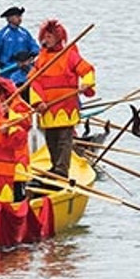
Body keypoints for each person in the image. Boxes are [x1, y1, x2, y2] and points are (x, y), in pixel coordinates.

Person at [28, 19, 96, 178]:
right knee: (51, 139)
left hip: (66, 105)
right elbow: (34, 82)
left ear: (58, 37)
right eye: (45, 36)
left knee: (64, 139)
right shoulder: (41, 60)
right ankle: (54, 165)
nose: (47, 40)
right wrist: (38, 102)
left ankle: (62, 169)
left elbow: (87, 70)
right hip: (48, 107)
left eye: (50, 36)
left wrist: (86, 84)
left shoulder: (69, 56)